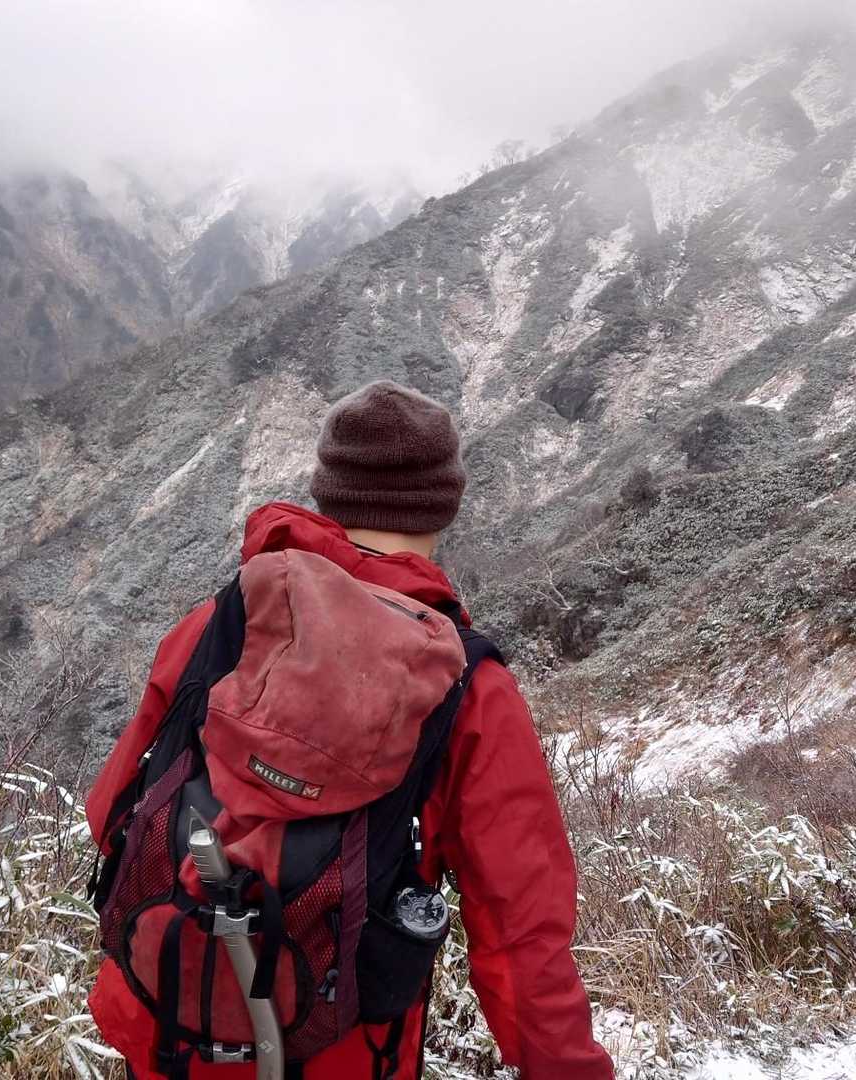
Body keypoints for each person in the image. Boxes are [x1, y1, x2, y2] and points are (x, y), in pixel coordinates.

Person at [86, 380, 614, 1079]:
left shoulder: (218, 625)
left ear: (328, 493)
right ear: (444, 504)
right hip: (339, 1055)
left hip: (169, 1035)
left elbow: (111, 813)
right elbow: (522, 938)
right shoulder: (469, 688)